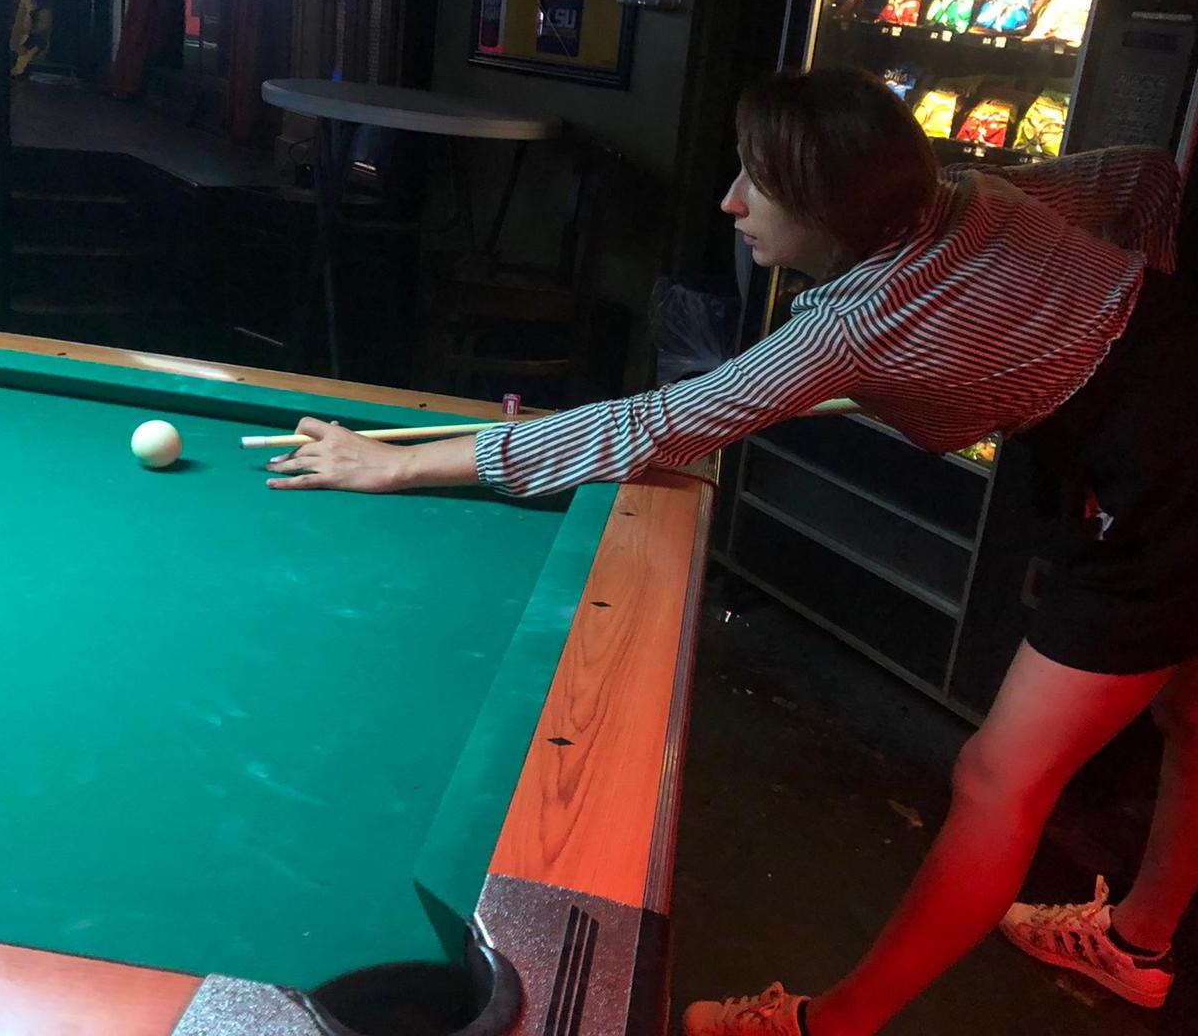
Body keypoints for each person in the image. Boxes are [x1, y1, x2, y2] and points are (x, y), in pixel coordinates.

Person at [265, 67, 1196, 1036]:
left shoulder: (855, 321)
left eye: (760, 181)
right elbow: (1143, 177)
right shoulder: (966, 194)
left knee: (997, 779)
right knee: (1189, 718)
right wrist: (1138, 322)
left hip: (1160, 483)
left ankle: (832, 1027)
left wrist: (400, 464)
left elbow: (655, 425)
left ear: (832, 206)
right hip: (1163, 413)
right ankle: (1139, 944)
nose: (731, 201)